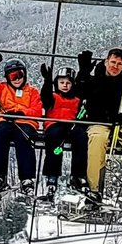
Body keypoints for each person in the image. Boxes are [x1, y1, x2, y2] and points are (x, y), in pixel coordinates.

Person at [76, 48, 122, 212]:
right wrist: (83, 73)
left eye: (119, 64)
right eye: (113, 62)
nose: (115, 66)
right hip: (99, 123)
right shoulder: (94, 82)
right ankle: (95, 190)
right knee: (97, 138)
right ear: (106, 62)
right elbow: (79, 92)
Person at [0, 51, 42, 194]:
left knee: (23, 137)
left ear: (25, 75)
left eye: (20, 74)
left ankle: (27, 179)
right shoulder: (2, 89)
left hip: (26, 123)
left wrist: (21, 112)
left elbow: (37, 111)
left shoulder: (32, 92)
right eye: (13, 76)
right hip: (5, 121)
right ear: (7, 77)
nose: (17, 79)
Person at [37, 64, 87, 202]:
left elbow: (83, 88)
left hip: (71, 126)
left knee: (81, 137)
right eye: (61, 82)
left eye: (68, 83)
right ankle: (52, 177)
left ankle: (77, 175)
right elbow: (45, 97)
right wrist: (47, 81)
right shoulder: (52, 97)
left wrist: (84, 71)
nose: (65, 85)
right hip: (55, 125)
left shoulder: (76, 99)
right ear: (56, 83)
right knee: (54, 142)